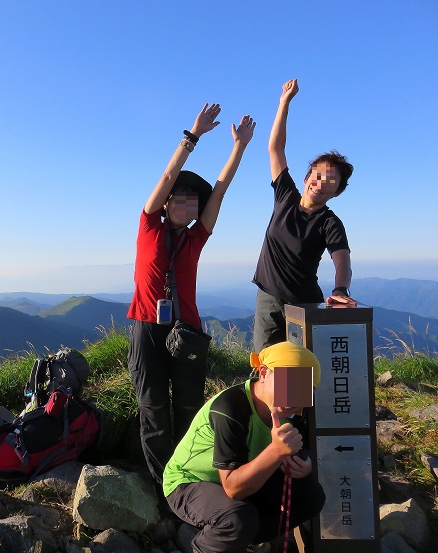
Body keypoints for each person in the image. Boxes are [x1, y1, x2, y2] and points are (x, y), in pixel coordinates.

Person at [127, 103, 256, 485]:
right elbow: (169, 173)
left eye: (191, 200)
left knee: (187, 409)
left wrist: (239, 147)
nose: (185, 203)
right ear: (166, 202)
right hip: (147, 330)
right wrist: (193, 135)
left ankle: (185, 480)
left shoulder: (197, 237)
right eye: (177, 197)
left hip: (187, 331)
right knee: (153, 408)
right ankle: (160, 483)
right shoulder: (149, 224)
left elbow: (221, 189)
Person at [163, 341, 326, 553]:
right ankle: (209, 545)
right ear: (264, 373)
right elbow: (233, 488)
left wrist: (305, 463)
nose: (292, 399)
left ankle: (236, 540)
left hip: (242, 476)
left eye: (302, 390)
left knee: (311, 496)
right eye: (288, 384)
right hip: (189, 482)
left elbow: (302, 447)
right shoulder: (230, 408)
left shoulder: (293, 412)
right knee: (237, 519)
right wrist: (276, 451)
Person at [252, 78, 356, 354]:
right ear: (308, 175)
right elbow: (276, 149)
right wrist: (283, 103)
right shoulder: (285, 195)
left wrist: (341, 290)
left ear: (336, 192)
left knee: (301, 371)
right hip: (267, 298)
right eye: (318, 175)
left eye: (330, 181)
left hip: (303, 304)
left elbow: (341, 258)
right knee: (264, 366)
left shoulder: (330, 223)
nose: (321, 183)